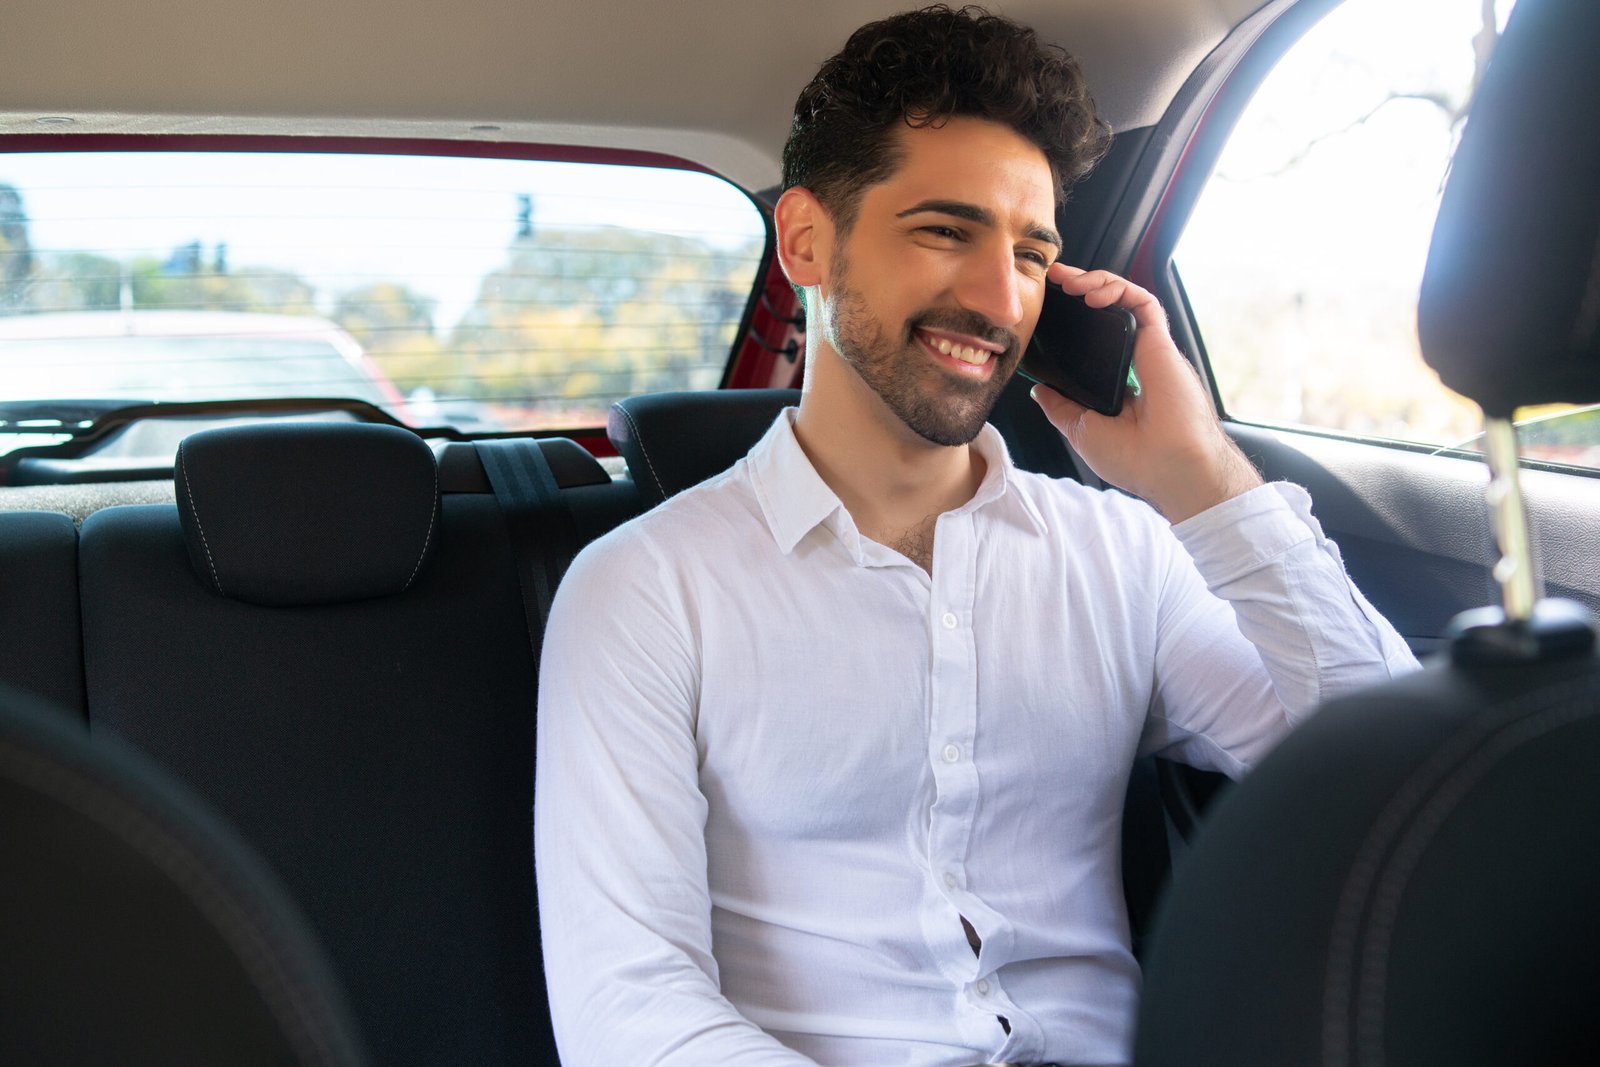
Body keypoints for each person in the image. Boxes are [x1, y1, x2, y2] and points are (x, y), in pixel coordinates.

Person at [534, 6, 1418, 1065]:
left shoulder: (1122, 554)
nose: (1002, 299)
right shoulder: (643, 589)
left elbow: (1399, 778)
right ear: (808, 240)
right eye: (945, 231)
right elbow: (628, 1014)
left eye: (1033, 252)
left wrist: (1202, 483)